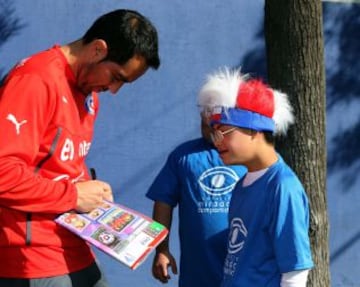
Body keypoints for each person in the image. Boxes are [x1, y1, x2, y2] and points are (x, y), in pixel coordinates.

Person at [0, 9, 160, 287]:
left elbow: (61, 163)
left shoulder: (89, 94)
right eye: (117, 77)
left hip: (74, 246)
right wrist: (73, 195)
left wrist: (90, 190)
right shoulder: (35, 80)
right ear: (98, 49)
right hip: (32, 256)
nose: (113, 90)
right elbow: (3, 174)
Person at [197, 67, 314, 287]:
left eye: (223, 132)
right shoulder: (242, 184)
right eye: (214, 133)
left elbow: (295, 272)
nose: (216, 141)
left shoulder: (283, 187)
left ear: (254, 129)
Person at [146, 107, 247, 286]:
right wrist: (161, 249)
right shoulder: (183, 156)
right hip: (198, 272)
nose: (209, 130)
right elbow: (163, 202)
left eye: (216, 126)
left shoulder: (247, 156)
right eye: (204, 124)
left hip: (244, 267)